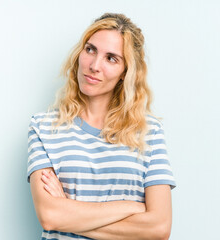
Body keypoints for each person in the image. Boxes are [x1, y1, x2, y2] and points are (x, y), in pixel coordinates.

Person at [27, 13, 176, 240]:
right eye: (90, 50)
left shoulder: (149, 132)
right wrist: (131, 206)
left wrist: (68, 211)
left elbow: (159, 228)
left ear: (125, 72)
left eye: (111, 58)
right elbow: (50, 216)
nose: (94, 65)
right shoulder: (43, 128)